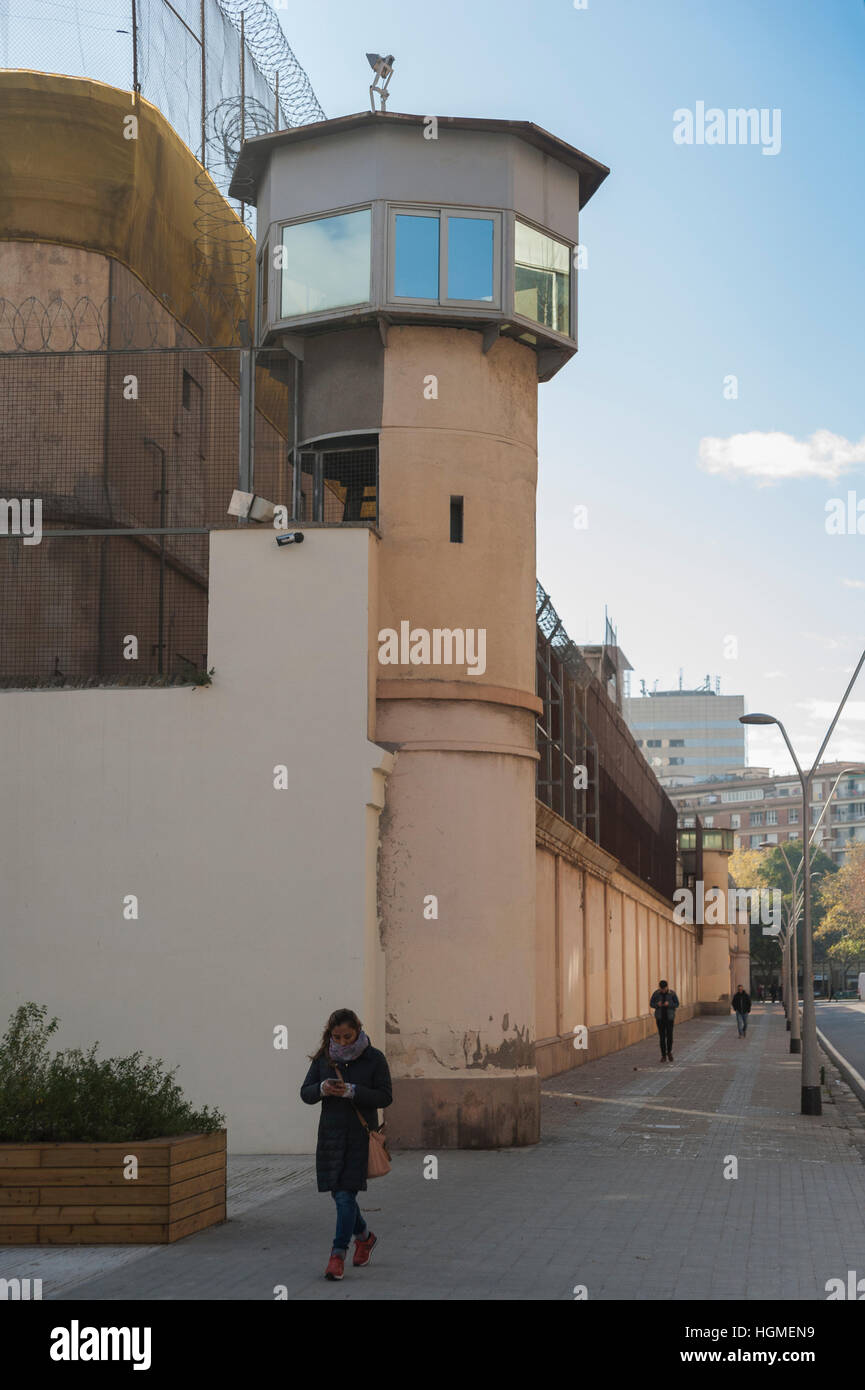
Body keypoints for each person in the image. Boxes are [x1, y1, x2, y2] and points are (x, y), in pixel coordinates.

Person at [300, 1008, 392, 1281]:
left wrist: (353, 1091)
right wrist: (321, 1088)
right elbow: (305, 1093)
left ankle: (337, 1255)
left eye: (347, 1036)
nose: (342, 1042)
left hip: (359, 1137)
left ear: (358, 1031)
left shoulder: (374, 1058)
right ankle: (365, 1237)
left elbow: (385, 1096)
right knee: (341, 1197)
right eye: (336, 1037)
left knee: (344, 1196)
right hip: (330, 1136)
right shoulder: (323, 1058)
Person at [649, 979, 679, 1062]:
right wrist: (657, 1005)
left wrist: (669, 1004)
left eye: (664, 988)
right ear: (659, 987)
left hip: (669, 1018)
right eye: (661, 989)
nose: (663, 990)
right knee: (662, 1037)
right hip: (660, 1018)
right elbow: (651, 1003)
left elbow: (677, 1004)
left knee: (669, 1036)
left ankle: (669, 1052)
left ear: (667, 987)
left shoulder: (672, 993)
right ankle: (663, 1055)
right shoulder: (656, 993)